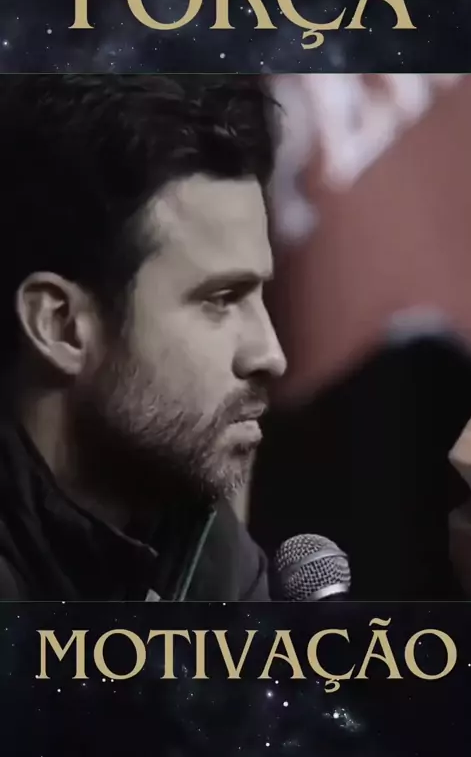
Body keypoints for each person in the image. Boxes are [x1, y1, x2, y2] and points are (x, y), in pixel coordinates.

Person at [0, 73, 286, 601]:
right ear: (60, 326)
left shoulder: (204, 549)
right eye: (221, 299)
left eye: (260, 295)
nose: (270, 354)